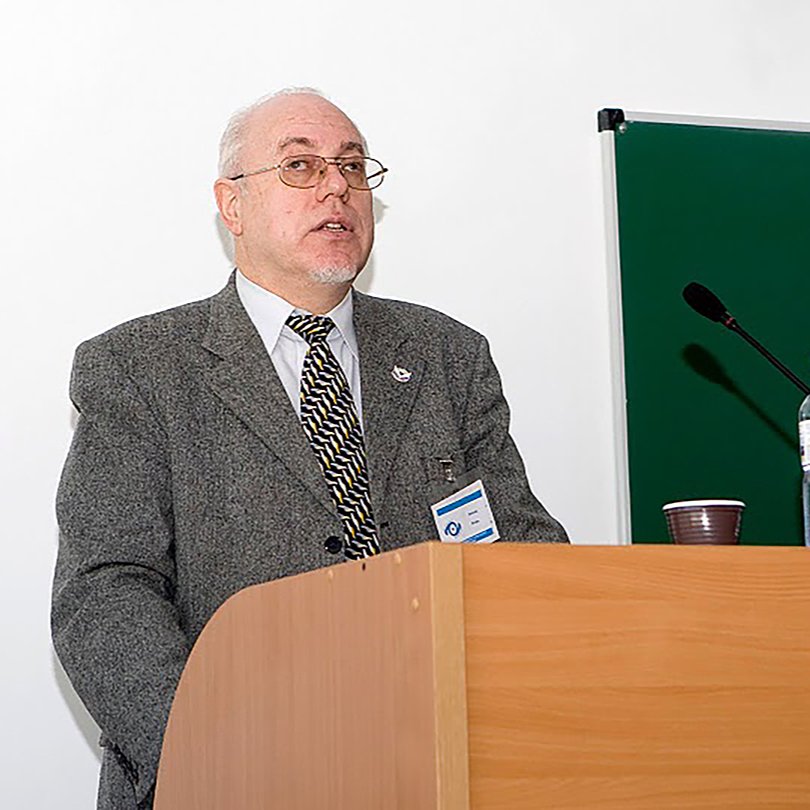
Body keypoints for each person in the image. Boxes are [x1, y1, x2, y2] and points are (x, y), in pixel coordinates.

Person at [51, 88, 568, 810]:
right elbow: (105, 594)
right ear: (232, 205)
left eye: (353, 166)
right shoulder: (139, 366)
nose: (336, 187)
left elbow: (525, 559)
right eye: (300, 166)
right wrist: (219, 752)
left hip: (440, 766)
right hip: (232, 775)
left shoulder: (448, 355)